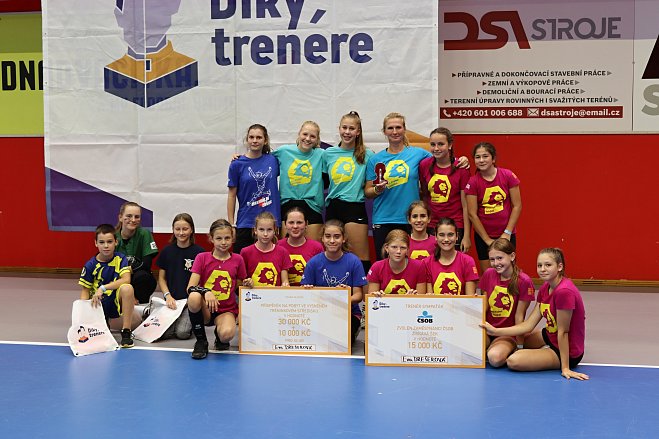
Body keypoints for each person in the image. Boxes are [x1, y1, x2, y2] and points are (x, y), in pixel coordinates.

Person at [481, 248, 588, 380]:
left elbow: (563, 332)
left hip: (567, 349)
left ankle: (547, 356)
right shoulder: (545, 287)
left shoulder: (564, 292)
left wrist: (565, 368)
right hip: (550, 335)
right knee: (515, 342)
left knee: (513, 361)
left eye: (548, 265)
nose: (543, 269)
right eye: (539, 265)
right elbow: (529, 325)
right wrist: (496, 331)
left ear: (559, 267)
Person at [365, 112, 432, 259]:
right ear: (384, 131)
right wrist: (377, 189)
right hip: (383, 219)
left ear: (404, 129)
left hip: (411, 219)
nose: (394, 132)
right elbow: (367, 192)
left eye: (398, 127)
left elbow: (442, 160)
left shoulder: (419, 154)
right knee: (384, 264)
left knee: (411, 264)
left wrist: (460, 160)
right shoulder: (375, 159)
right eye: (390, 128)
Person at [186, 219, 247, 360]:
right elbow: (190, 288)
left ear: (232, 238)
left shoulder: (238, 259)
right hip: (205, 309)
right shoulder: (202, 257)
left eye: (227, 238)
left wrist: (247, 284)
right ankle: (201, 341)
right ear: (211, 239)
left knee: (227, 335)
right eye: (219, 238)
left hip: (226, 310)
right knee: (194, 297)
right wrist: (206, 292)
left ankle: (219, 336)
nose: (223, 242)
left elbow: (239, 286)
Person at [324, 111, 374, 273]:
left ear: (358, 131)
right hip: (333, 206)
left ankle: (363, 290)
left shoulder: (367, 154)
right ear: (339, 129)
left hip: (354, 206)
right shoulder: (328, 154)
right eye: (344, 127)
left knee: (360, 257)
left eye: (351, 128)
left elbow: (371, 183)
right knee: (332, 254)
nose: (347, 132)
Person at [301, 219, 367, 344]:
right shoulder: (313, 262)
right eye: (328, 236)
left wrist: (343, 297)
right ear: (322, 239)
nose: (332, 240)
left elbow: (358, 295)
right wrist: (309, 291)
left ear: (343, 238)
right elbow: (304, 295)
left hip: (349, 313)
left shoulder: (353, 261)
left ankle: (353, 330)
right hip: (320, 312)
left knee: (340, 341)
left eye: (336, 237)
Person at [78, 223, 138, 348]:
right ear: (96, 243)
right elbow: (85, 291)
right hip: (99, 304)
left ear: (116, 242)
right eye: (102, 242)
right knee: (99, 338)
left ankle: (126, 332)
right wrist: (83, 313)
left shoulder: (120, 259)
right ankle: (103, 323)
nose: (106, 246)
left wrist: (103, 288)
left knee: (128, 288)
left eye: (109, 242)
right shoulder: (90, 265)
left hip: (115, 301)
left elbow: (126, 279)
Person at [465, 142, 522, 273]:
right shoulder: (473, 182)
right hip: (483, 237)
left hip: (507, 234)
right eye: (477, 157)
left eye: (485, 156)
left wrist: (507, 232)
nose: (481, 160)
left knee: (508, 272)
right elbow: (472, 214)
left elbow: (517, 205)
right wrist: (487, 240)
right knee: (488, 274)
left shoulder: (507, 175)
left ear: (493, 158)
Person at [480, 239, 535, 367]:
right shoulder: (488, 274)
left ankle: (507, 347)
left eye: (500, 258)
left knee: (495, 358)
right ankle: (491, 346)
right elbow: (485, 305)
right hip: (487, 329)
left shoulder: (524, 281)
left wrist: (520, 347)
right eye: (492, 259)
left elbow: (519, 316)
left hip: (506, 333)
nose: (496, 263)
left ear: (512, 256)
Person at [228, 123, 281, 254]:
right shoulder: (237, 164)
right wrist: (231, 224)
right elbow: (231, 195)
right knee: (242, 263)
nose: (255, 141)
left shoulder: (274, 160)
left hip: (270, 223)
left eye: (259, 137)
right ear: (247, 140)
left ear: (265, 140)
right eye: (251, 137)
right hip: (246, 222)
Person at [418, 127, 471, 252]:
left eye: (441, 144)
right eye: (433, 144)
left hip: (455, 225)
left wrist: (467, 236)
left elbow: (466, 206)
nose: (436, 148)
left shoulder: (461, 168)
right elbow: (424, 195)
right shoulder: (424, 165)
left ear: (450, 145)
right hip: (432, 224)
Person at [273, 121, 326, 241]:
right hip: (288, 205)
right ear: (299, 134)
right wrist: (241, 158)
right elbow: (260, 159)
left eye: (312, 136)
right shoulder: (283, 151)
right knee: (287, 249)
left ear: (317, 139)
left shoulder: (322, 155)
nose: (308, 139)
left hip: (312, 206)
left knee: (314, 249)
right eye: (305, 134)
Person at [156, 213, 205, 340]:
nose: (181, 233)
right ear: (173, 230)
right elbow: (161, 278)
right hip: (171, 301)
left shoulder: (200, 253)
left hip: (189, 303)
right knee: (164, 333)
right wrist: (168, 296)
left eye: (185, 229)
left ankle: (189, 320)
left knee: (182, 333)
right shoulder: (167, 251)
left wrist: (192, 300)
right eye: (177, 229)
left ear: (192, 229)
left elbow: (203, 280)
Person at [115, 201, 158, 304]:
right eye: (129, 216)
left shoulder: (144, 234)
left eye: (137, 217)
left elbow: (146, 264)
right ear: (120, 217)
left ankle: (142, 306)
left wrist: (127, 270)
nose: (133, 220)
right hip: (118, 277)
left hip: (138, 278)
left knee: (143, 277)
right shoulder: (112, 236)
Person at [424, 217, 479, 295]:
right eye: (441, 235)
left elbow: (470, 298)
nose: (446, 239)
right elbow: (429, 298)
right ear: (436, 236)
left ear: (457, 236)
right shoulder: (427, 263)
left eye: (450, 235)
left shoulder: (467, 261)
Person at [367, 229, 426, 296]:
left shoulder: (419, 266)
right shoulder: (377, 267)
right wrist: (377, 296)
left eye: (403, 248)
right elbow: (371, 299)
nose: (398, 251)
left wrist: (412, 299)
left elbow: (421, 300)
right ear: (386, 248)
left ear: (407, 250)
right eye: (394, 247)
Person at [241, 212, 292, 287]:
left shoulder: (283, 252)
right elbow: (241, 280)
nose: (265, 234)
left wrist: (285, 285)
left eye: (269, 230)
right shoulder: (246, 252)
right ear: (255, 230)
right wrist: (247, 282)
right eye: (261, 229)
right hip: (253, 294)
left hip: (275, 294)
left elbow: (285, 281)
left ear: (275, 230)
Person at [277, 207, 324, 286]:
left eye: (299, 222)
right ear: (285, 224)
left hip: (309, 292)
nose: (295, 226)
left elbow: (322, 275)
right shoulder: (277, 246)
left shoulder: (317, 247)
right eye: (291, 222)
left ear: (306, 224)